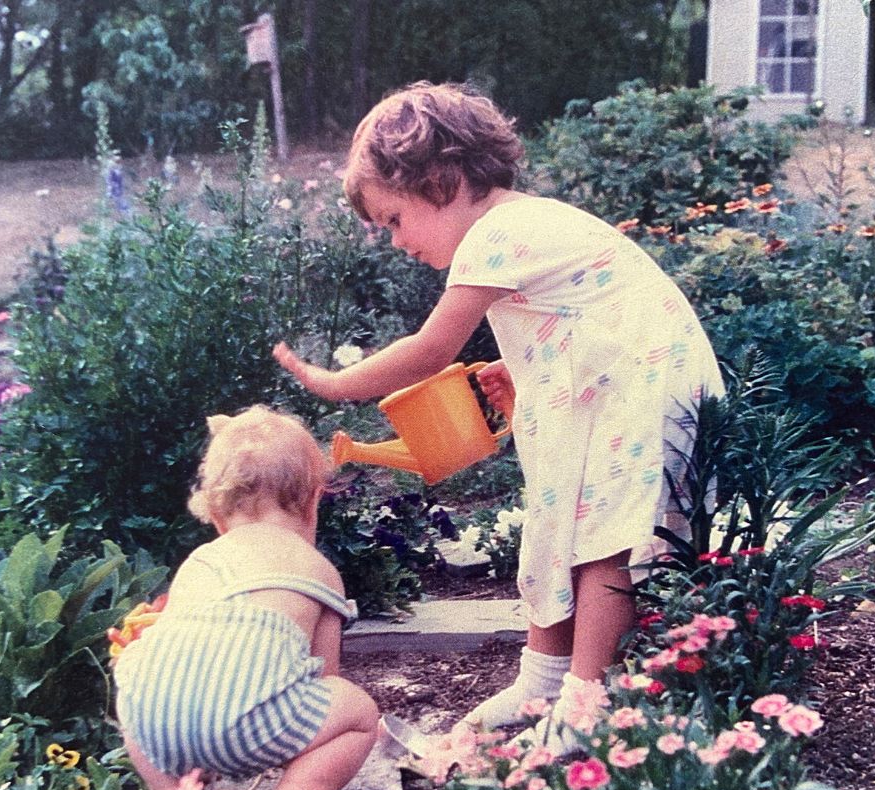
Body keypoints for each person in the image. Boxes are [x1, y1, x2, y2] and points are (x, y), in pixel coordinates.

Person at [273, 81, 723, 753]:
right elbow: (582, 308)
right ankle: (542, 678)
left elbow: (430, 348)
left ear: (441, 180)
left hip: (644, 386)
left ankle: (587, 700)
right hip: (624, 378)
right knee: (562, 517)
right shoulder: (521, 225)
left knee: (604, 540)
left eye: (393, 219)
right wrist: (529, 371)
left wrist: (338, 384)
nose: (394, 241)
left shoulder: (496, 234)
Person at [113, 406, 379, 790]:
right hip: (248, 728)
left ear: (217, 516)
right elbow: (325, 677)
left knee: (135, 685)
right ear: (312, 504)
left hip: (159, 726)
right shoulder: (318, 571)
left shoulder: (198, 562)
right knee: (356, 713)